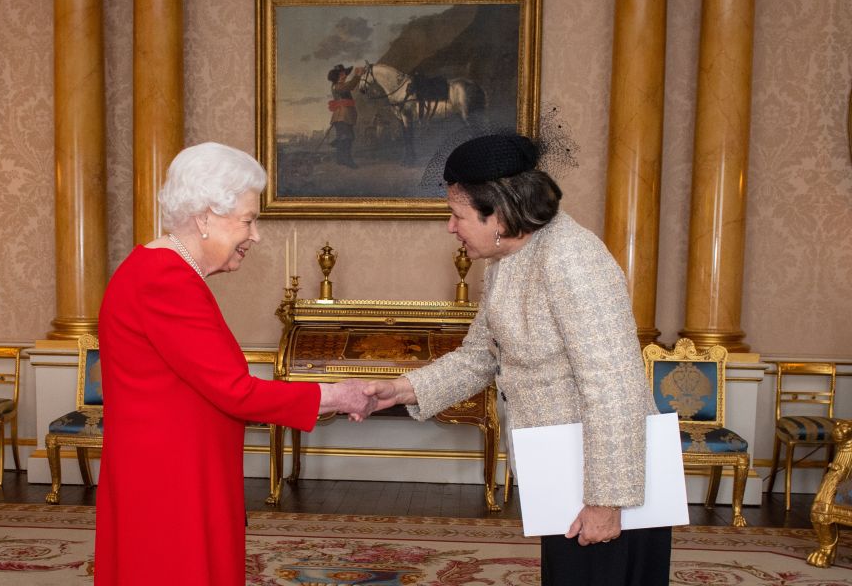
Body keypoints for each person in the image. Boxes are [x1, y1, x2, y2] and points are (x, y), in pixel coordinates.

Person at [364, 132, 670, 586]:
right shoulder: (506, 258)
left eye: (457, 215)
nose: (451, 227)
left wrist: (607, 502)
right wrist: (399, 390)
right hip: (564, 477)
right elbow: (478, 357)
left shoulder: (573, 259)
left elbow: (616, 386)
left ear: (499, 216)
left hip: (607, 484)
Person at [93, 142, 376, 585]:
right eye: (248, 220)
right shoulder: (164, 279)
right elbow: (235, 390)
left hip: (177, 468)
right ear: (205, 217)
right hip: (171, 480)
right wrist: (334, 395)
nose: (256, 235)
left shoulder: (161, 270)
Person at [326, 63, 364, 168]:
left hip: (343, 115)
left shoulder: (338, 85)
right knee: (348, 137)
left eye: (344, 73)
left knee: (343, 137)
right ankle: (348, 160)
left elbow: (349, 85)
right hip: (343, 115)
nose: (344, 75)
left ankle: (340, 159)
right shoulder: (338, 86)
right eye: (341, 74)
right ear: (337, 76)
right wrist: (358, 75)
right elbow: (350, 86)